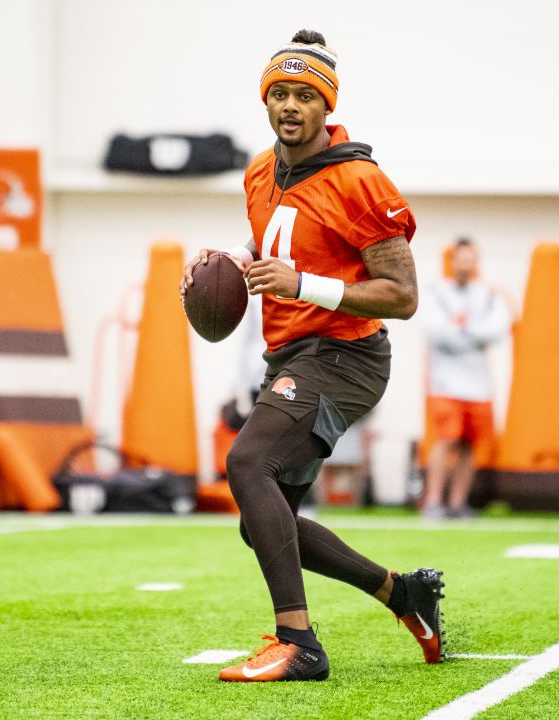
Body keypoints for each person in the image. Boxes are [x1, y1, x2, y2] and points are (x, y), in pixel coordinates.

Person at [181, 30, 444, 682]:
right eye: (281, 94)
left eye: (305, 95)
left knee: (247, 462)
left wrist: (304, 284)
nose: (291, 106)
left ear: (327, 106)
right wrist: (232, 262)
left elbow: (403, 296)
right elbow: (274, 231)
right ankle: (402, 593)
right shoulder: (260, 169)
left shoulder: (359, 180)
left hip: (347, 358)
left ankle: (299, 642)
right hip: (292, 353)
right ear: (266, 101)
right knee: (265, 524)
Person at [419, 238, 511, 519]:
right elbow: (436, 332)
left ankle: (458, 502)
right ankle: (434, 500)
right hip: (446, 383)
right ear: (452, 261)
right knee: (447, 439)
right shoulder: (437, 293)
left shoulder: (487, 294)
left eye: (469, 260)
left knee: (470, 445)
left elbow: (497, 329)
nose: (464, 265)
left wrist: (462, 330)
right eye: (460, 260)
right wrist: (471, 334)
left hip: (478, 385)